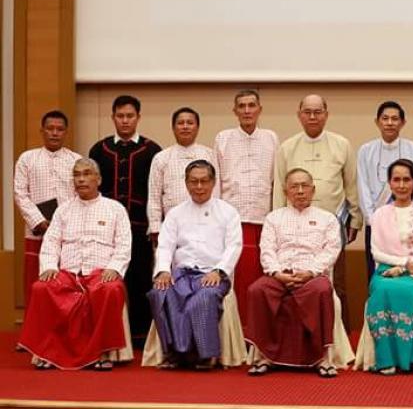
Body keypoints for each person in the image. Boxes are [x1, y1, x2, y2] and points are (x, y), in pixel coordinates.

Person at [18, 158, 132, 370]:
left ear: (98, 179)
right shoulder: (63, 210)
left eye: (87, 174)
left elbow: (124, 244)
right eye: (77, 175)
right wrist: (49, 266)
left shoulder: (115, 209)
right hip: (68, 274)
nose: (81, 179)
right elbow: (51, 242)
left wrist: (114, 268)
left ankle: (103, 353)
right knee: (41, 288)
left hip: (100, 273)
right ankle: (47, 352)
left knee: (111, 289)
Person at [274, 94, 362, 329]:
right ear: (299, 115)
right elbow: (279, 188)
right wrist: (275, 222)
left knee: (337, 283)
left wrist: (355, 219)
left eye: (318, 112)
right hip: (294, 226)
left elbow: (352, 185)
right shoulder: (287, 147)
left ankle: (340, 336)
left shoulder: (342, 144)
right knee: (294, 282)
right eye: (307, 112)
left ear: (326, 114)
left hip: (332, 225)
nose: (312, 116)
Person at [246, 168, 343, 377]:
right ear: (285, 191)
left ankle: (321, 358)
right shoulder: (274, 218)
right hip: (280, 273)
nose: (300, 191)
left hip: (312, 275)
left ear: (313, 190)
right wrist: (276, 273)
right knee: (257, 290)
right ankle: (265, 356)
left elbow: (331, 250)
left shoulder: (327, 219)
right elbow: (267, 249)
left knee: (321, 290)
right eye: (294, 186)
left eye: (304, 186)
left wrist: (311, 272)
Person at [147, 160, 243, 370]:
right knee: (160, 293)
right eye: (194, 182)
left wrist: (219, 271)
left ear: (213, 182)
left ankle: (204, 356)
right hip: (181, 275)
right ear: (186, 183)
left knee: (203, 298)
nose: (199, 187)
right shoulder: (175, 213)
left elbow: (234, 246)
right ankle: (174, 353)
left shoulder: (228, 212)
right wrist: (163, 270)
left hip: (212, 275)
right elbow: (165, 245)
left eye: (204, 181)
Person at [89, 95, 162, 345]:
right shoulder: (99, 150)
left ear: (138, 117)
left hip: (140, 227)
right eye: (120, 116)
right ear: (113, 118)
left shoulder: (152, 150)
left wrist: (155, 226)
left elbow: (156, 191)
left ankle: (139, 335)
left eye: (130, 116)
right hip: (104, 229)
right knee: (106, 279)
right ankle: (108, 333)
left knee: (140, 278)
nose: (125, 120)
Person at [365, 159, 413, 375]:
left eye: (407, 179)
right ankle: (386, 360)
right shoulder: (380, 214)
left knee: (410, 291)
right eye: (396, 180)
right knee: (383, 290)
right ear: (389, 183)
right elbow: (376, 252)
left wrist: (406, 269)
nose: (401, 185)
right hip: (385, 271)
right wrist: (402, 263)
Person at [214, 89, 279, 325]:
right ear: (235, 111)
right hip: (233, 218)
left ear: (260, 109)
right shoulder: (223, 138)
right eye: (241, 106)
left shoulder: (271, 138)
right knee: (237, 275)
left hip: (264, 217)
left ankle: (260, 326)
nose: (247, 110)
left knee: (262, 275)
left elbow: (277, 180)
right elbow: (216, 179)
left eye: (252, 105)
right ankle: (236, 327)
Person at [13, 110, 82, 304]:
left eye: (60, 129)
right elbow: (20, 194)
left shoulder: (76, 160)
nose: (54, 133)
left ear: (66, 132)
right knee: (36, 285)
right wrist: (40, 222)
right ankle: (35, 324)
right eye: (50, 128)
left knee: (66, 287)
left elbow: (81, 195)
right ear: (42, 130)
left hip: (68, 234)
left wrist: (65, 225)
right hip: (36, 232)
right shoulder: (27, 159)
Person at [357, 101, 413, 278]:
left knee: (410, 270)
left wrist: (409, 214)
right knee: (376, 272)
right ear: (377, 122)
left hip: (409, 222)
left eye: (395, 119)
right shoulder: (366, 150)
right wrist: (372, 219)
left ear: (402, 123)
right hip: (376, 222)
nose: (390, 123)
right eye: (385, 118)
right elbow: (362, 186)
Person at [147, 107, 218, 244]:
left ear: (197, 127)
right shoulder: (161, 158)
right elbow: (154, 196)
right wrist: (155, 228)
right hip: (171, 226)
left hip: (205, 224)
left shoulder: (209, 155)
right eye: (180, 123)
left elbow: (216, 191)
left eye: (190, 123)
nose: (185, 127)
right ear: (173, 128)